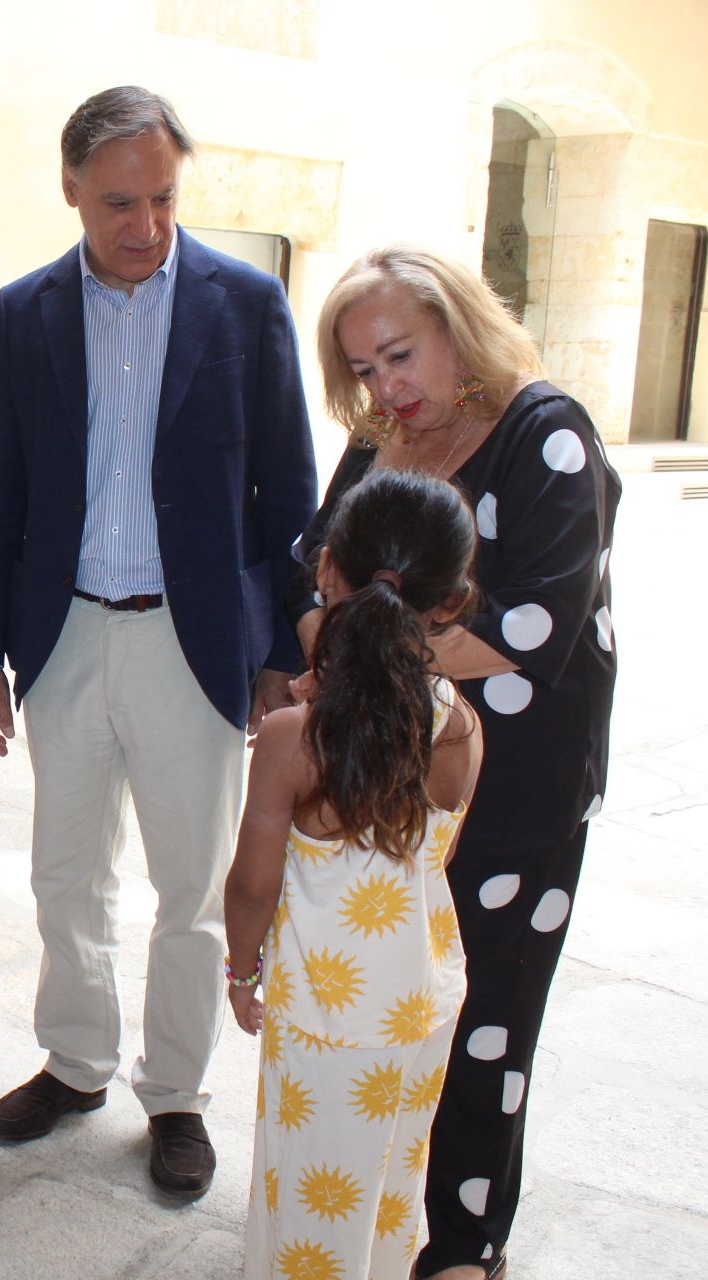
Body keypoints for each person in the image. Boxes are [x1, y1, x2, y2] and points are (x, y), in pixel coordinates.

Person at [0, 85, 317, 1197]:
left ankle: (175, 1094)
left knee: (192, 885)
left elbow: (288, 490)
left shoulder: (246, 302)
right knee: (66, 872)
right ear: (71, 190)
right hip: (61, 638)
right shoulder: (25, 312)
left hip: (194, 643)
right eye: (119, 201)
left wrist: (279, 649)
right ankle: (76, 1061)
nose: (144, 225)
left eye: (162, 197)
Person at [299, 246, 619, 1280]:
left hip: (520, 790)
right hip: (387, 788)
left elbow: (531, 625)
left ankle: (463, 1245)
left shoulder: (547, 434)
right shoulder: (379, 439)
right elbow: (317, 569)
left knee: (486, 1025)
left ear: (457, 327)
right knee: (395, 1014)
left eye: (402, 354)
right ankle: (379, 1218)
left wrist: (358, 637)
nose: (388, 387)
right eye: (364, 369)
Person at [226, 469, 484, 1280]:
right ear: (451, 602)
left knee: (307, 1205)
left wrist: (241, 970)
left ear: (327, 568)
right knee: (385, 1191)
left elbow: (252, 886)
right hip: (424, 998)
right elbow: (434, 847)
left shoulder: (295, 737)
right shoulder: (458, 722)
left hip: (328, 1017)